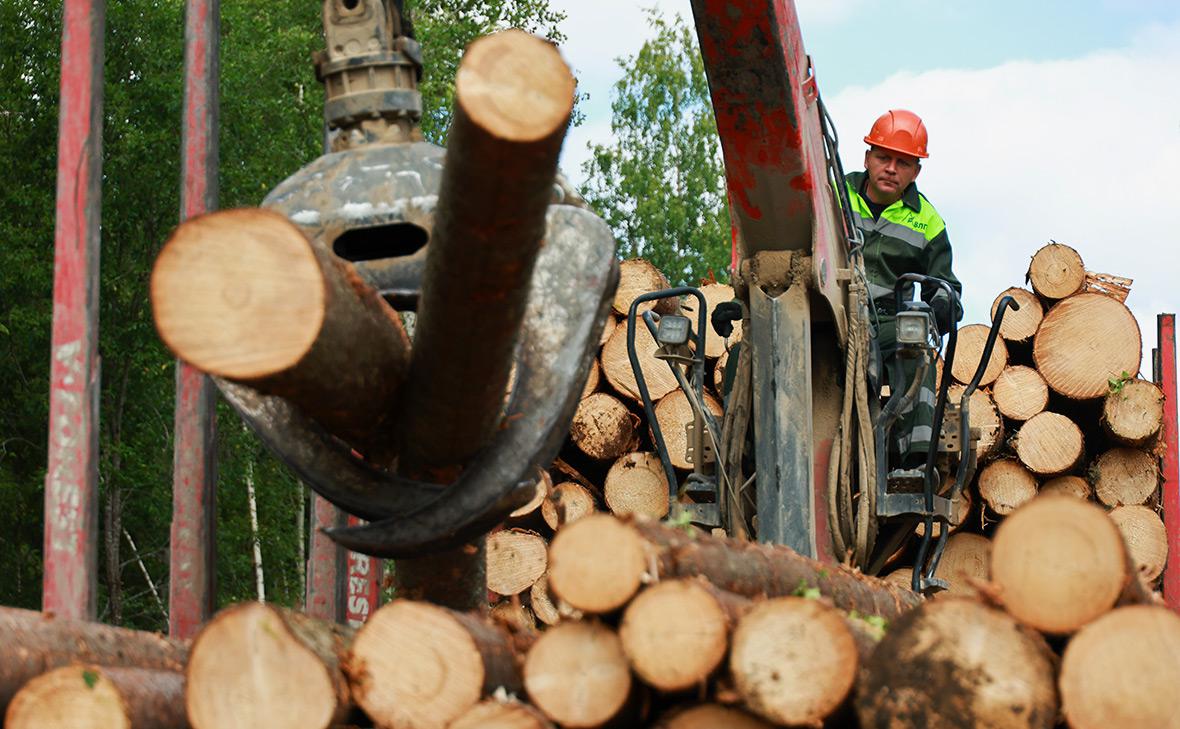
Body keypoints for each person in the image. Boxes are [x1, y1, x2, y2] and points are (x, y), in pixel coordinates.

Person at [845, 109, 962, 467]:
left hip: (886, 328)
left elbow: (947, 288)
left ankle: (915, 462)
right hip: (827, 313)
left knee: (915, 341)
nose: (891, 168)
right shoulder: (832, 193)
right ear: (867, 158)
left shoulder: (928, 221)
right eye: (883, 157)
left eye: (903, 162)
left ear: (916, 171)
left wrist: (943, 304)